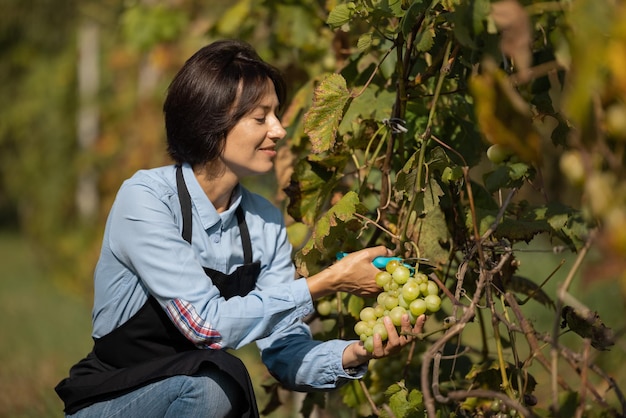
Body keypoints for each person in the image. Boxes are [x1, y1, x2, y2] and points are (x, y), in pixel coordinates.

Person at [55, 39, 425, 418]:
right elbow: (204, 325)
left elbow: (284, 349)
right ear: (211, 120)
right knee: (215, 384)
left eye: (276, 116)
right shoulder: (147, 199)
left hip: (193, 392)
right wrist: (327, 282)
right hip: (113, 400)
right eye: (261, 117)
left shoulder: (263, 221)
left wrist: (353, 353)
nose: (279, 131)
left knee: (214, 382)